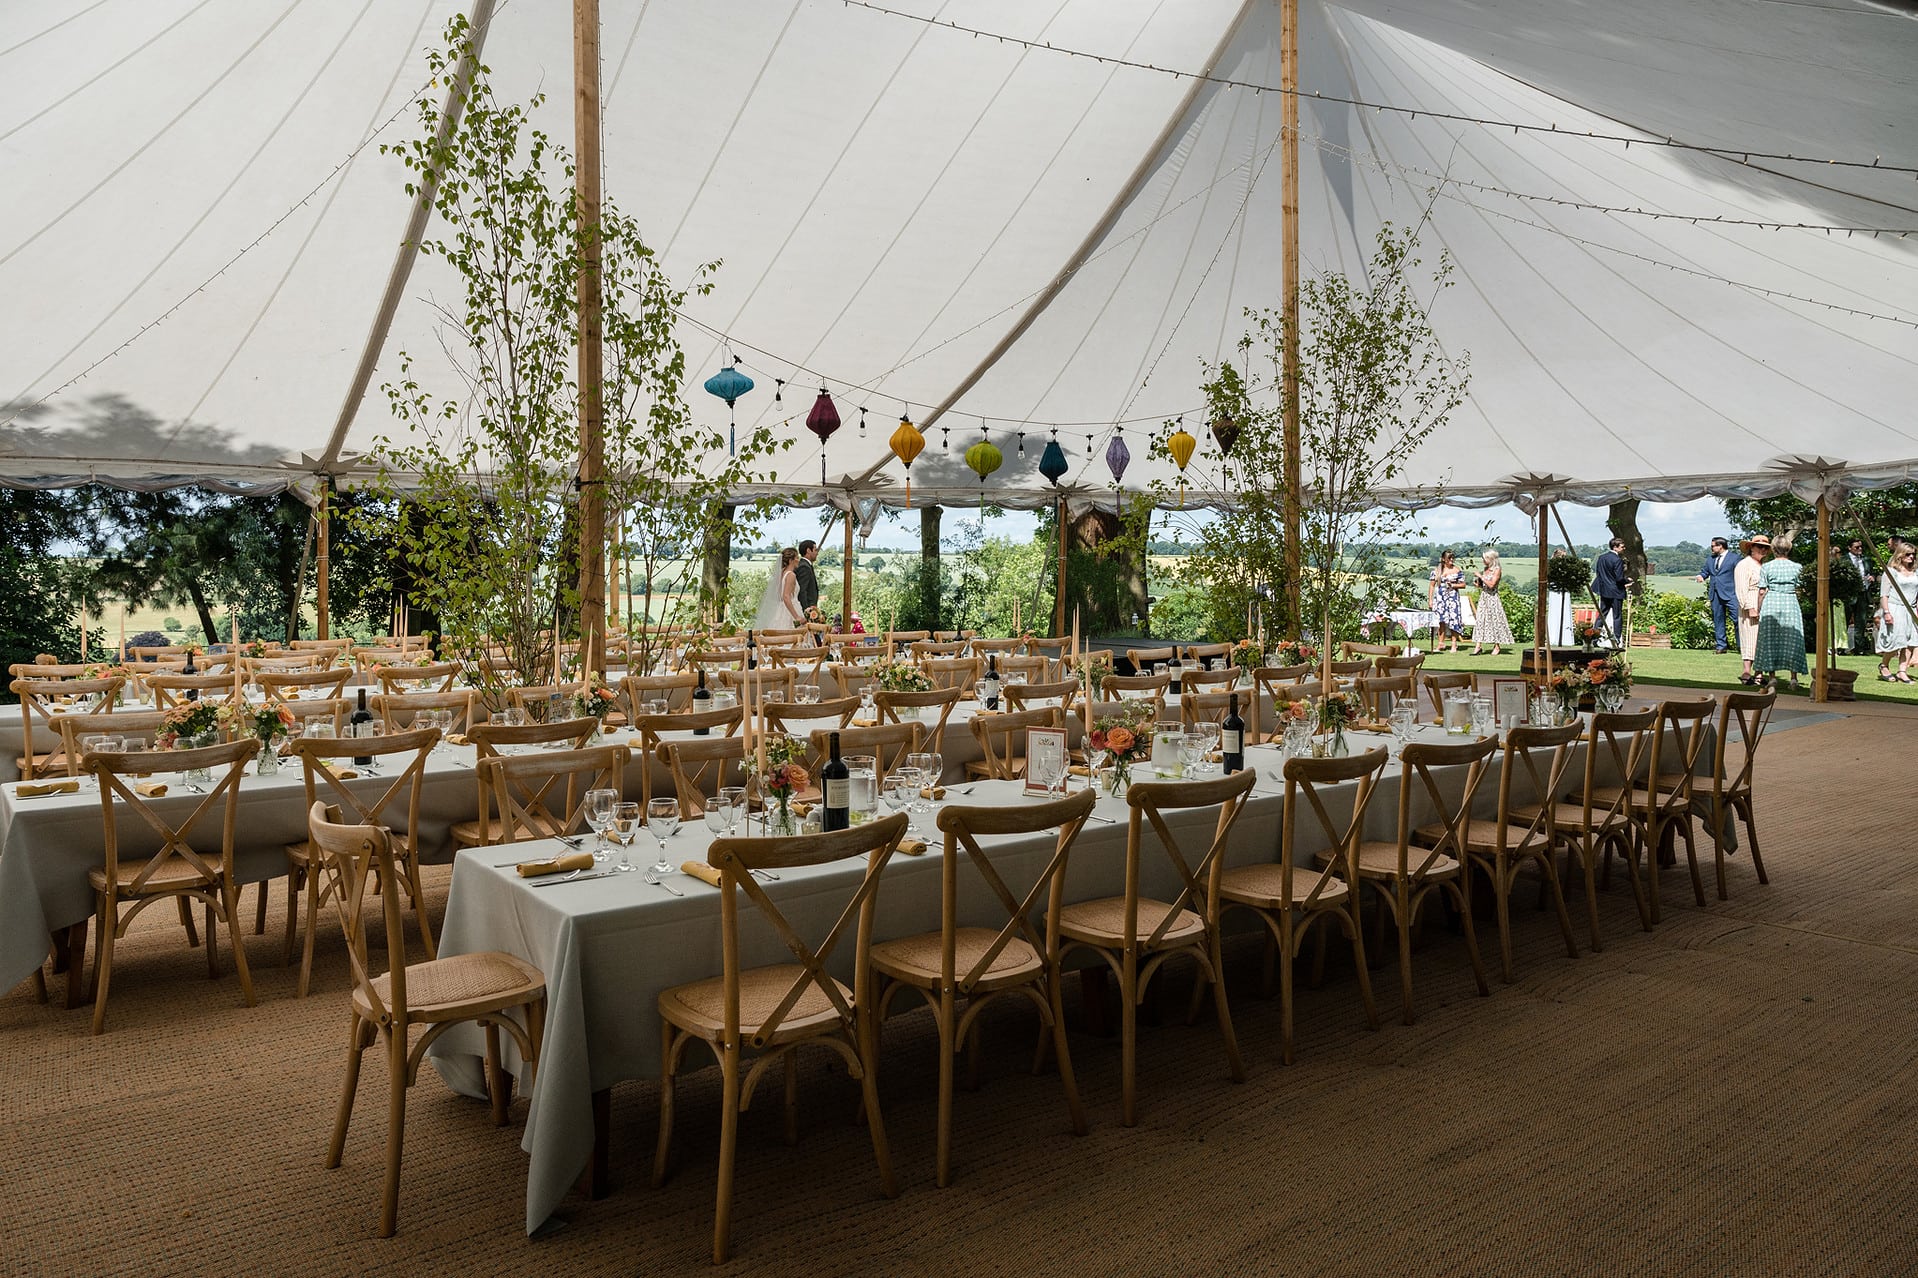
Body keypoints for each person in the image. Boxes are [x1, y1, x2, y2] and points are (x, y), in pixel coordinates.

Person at [1753, 531, 1808, 691]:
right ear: (1788, 549)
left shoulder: (1767, 567)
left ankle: (1772, 677)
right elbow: (1802, 589)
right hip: (1790, 602)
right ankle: (1793, 678)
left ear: (1773, 549)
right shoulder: (1797, 567)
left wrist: (1759, 607)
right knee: (1793, 639)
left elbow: (1762, 590)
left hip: (1772, 602)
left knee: (1770, 640)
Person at [1876, 540, 1918, 683]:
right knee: (1894, 642)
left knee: (1910, 643)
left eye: (1913, 555)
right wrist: (1886, 612)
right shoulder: (1891, 571)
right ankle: (1884, 665)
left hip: (1911, 610)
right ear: (1900, 555)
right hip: (1895, 608)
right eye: (1908, 554)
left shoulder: (1916, 572)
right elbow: (1884, 594)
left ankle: (1902, 671)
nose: (1911, 557)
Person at [1694, 536, 1742, 654]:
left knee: (1738, 620)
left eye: (1713, 546)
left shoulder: (1735, 558)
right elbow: (1705, 571)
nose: (1711, 548)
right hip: (1715, 594)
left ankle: (1742, 646)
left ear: (1720, 546)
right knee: (1718, 620)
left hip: (1731, 594)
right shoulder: (1711, 559)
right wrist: (1701, 576)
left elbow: (1742, 573)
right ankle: (1721, 646)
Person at [1734, 534, 1768, 684]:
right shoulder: (1744, 565)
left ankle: (1759, 673)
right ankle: (1747, 672)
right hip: (1751, 604)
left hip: (1763, 605)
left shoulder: (1763, 566)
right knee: (1749, 638)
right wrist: (1750, 608)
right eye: (1759, 546)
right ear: (1751, 548)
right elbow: (1741, 589)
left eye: (1765, 547)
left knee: (1760, 640)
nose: (1762, 550)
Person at [1469, 549, 1513, 656]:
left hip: (1493, 599)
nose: (1483, 560)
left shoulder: (1497, 570)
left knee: (1495, 621)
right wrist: (1478, 584)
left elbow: (1492, 584)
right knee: (1480, 621)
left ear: (1491, 559)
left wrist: (1480, 576)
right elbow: (1485, 585)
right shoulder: (1486, 569)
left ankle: (1497, 645)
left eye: (1485, 558)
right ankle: (1478, 646)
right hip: (1484, 598)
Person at [753, 548, 804, 630]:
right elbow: (786, 597)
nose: (799, 560)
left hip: (781, 609)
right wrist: (796, 617)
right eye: (797, 558)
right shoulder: (791, 575)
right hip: (791, 610)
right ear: (791, 560)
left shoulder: (782, 573)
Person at [1592, 537, 1630, 646]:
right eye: (1622, 547)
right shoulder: (1617, 560)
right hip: (1616, 592)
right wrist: (1627, 580)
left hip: (1604, 591)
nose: (1624, 548)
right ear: (1615, 547)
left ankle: (1593, 638)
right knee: (1617, 616)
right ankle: (1617, 639)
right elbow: (1619, 578)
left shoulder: (1601, 558)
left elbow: (1599, 574)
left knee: (1602, 615)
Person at [1428, 550, 1467, 653]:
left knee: (1454, 619)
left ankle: (1454, 644)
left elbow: (1463, 584)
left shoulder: (1457, 570)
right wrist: (1430, 600)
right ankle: (1441, 643)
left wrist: (1453, 585)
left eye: (1453, 558)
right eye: (1449, 558)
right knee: (1441, 621)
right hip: (1440, 598)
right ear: (1443, 559)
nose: (1451, 560)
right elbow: (1432, 586)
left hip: (1453, 598)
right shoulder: (1437, 571)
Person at [1843, 536, 1878, 654]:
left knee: (1861, 622)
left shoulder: (1866, 560)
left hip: (1863, 593)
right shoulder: (1843, 560)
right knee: (1845, 622)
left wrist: (1872, 577)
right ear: (1849, 548)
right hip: (1849, 595)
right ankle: (1841, 648)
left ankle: (1859, 649)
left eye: (1861, 546)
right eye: (1856, 547)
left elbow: (1872, 573)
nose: (1860, 549)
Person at [794, 539, 820, 617]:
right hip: (807, 609)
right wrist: (806, 610)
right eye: (815, 550)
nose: (817, 553)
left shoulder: (806, 565)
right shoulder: (804, 567)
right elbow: (802, 590)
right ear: (808, 550)